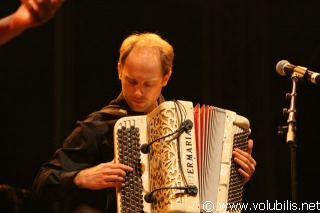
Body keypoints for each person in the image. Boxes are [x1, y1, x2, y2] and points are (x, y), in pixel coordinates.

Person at [32, 32, 257, 212]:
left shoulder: (188, 123)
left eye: (148, 84)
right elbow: (43, 182)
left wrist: (238, 180)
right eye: (131, 81)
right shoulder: (101, 124)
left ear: (166, 78)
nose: (138, 92)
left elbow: (219, 205)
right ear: (119, 70)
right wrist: (82, 178)